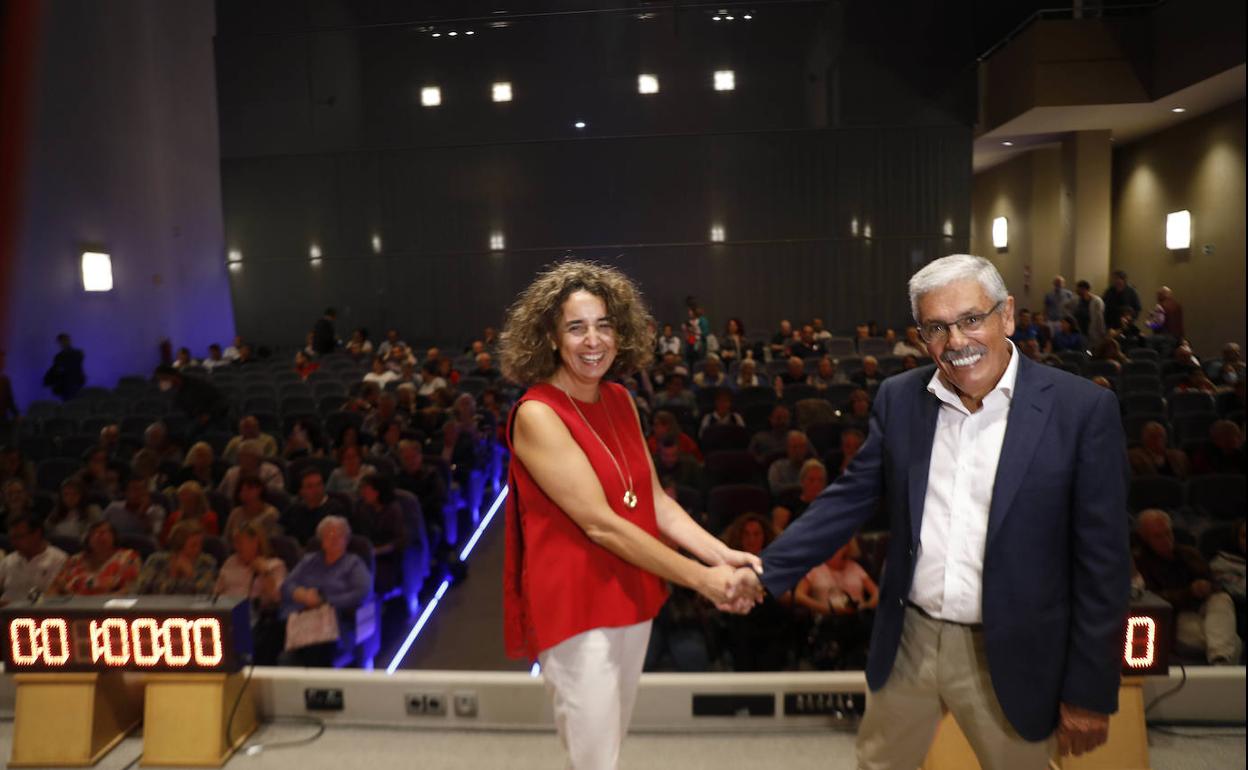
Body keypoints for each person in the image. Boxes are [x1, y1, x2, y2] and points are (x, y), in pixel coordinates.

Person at [727, 253, 1130, 766]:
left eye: (970, 319)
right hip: (909, 638)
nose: (956, 342)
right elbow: (848, 499)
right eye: (936, 327)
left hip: (1013, 649)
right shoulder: (900, 399)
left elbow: (1104, 564)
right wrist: (765, 573)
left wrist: (1090, 688)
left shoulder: (1081, 411)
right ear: (920, 337)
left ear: (1006, 315)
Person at [497, 260, 759, 769]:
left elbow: (654, 501)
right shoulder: (537, 413)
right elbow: (601, 523)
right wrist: (703, 580)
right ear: (551, 338)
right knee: (594, 759)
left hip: (628, 591)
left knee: (609, 747)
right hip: (576, 606)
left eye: (603, 324)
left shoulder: (619, 398)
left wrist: (722, 551)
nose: (592, 340)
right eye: (576, 327)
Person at [1134, 510, 1241, 664]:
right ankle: (1221, 662)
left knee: (1222, 599)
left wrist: (1207, 586)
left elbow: (1215, 582)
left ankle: (1220, 662)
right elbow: (1150, 600)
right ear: (1144, 538)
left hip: (1204, 610)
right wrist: (1189, 592)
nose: (1166, 540)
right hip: (1175, 618)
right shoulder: (1140, 563)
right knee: (1233, 641)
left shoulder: (1188, 554)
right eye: (1158, 536)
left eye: (1168, 533)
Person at [279, 515, 372, 667]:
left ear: (346, 539)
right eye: (328, 534)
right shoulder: (309, 561)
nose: (333, 538)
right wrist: (302, 594)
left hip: (337, 622)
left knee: (312, 652)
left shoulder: (353, 563)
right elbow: (286, 585)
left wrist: (325, 601)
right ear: (321, 540)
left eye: (339, 535)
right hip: (302, 620)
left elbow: (362, 592)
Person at [796, 536, 879, 669]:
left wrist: (866, 606)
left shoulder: (855, 567)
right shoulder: (815, 568)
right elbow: (799, 595)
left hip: (856, 621)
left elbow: (876, 592)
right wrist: (825, 608)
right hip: (827, 622)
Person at [215, 521, 288, 664]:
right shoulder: (231, 562)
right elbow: (216, 592)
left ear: (255, 542)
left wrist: (264, 572)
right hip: (225, 613)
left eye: (240, 542)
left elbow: (277, 597)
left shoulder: (275, 565)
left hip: (253, 617)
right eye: (234, 542)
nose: (236, 547)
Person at [47, 520, 142, 595]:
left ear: (114, 537)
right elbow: (56, 586)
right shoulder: (75, 560)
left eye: (103, 532)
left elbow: (129, 590)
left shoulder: (128, 557)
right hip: (72, 610)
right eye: (94, 533)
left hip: (110, 612)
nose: (98, 536)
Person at [136, 520, 218, 595]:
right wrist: (173, 576)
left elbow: (206, 591)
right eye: (194, 545)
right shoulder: (156, 560)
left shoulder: (207, 562)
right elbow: (140, 589)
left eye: (200, 544)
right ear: (179, 546)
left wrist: (191, 576)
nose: (198, 549)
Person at [0, 515, 69, 604]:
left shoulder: (59, 559)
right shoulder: (8, 560)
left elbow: (58, 595)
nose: (14, 542)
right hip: (5, 613)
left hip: (41, 613)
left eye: (19, 537)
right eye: (12, 538)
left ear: (37, 534)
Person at [282, 468, 350, 545]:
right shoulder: (294, 509)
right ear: (301, 491)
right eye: (310, 486)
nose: (316, 490)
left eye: (319, 484)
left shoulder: (336, 510)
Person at [158, 480, 220, 546]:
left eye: (189, 500)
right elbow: (164, 541)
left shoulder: (209, 519)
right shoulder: (173, 517)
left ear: (198, 501)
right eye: (182, 500)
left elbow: (211, 544)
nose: (184, 504)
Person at [224, 475, 282, 540]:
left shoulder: (271, 514)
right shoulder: (235, 513)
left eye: (249, 489)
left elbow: (273, 540)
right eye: (242, 490)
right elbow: (226, 538)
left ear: (260, 489)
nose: (245, 493)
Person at [42, 333, 86, 401]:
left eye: (65, 340)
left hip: (73, 384)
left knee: (73, 403)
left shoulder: (76, 354)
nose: (63, 343)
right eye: (62, 341)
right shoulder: (60, 356)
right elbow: (57, 369)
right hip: (66, 385)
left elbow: (71, 367)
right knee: (69, 404)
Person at [1072, 280, 1107, 349]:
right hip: (1081, 331)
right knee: (1084, 350)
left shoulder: (1096, 301)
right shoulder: (1078, 300)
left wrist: (1102, 332)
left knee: (1092, 351)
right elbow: (1066, 307)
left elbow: (1100, 318)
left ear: (1084, 289)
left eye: (1078, 289)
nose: (1076, 291)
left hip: (1093, 331)